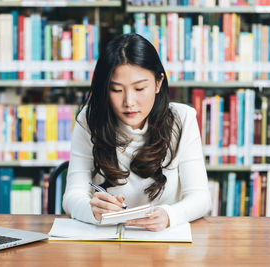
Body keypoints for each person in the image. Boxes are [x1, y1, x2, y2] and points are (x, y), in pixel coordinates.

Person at [62, 33, 211, 232]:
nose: (129, 102)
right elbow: (72, 196)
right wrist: (93, 210)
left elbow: (201, 198)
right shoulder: (90, 121)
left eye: (139, 88)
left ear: (158, 83)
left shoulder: (182, 119)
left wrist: (169, 215)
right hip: (107, 247)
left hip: (164, 244)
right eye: (116, 90)